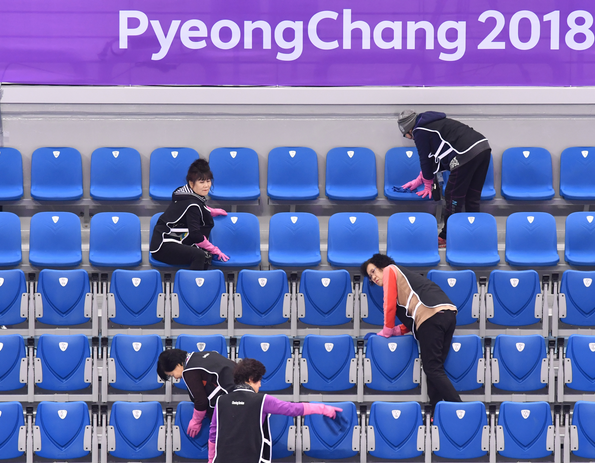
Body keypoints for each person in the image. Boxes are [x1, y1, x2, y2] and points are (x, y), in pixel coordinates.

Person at [361, 253, 462, 406]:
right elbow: (413, 315)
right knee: (434, 369)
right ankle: (435, 410)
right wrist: (397, 330)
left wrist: (387, 330)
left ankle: (458, 408)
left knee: (432, 369)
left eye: (373, 271)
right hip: (447, 315)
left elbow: (389, 304)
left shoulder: (389, 270)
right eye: (370, 276)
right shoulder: (404, 278)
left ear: (381, 265)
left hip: (431, 317)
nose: (373, 277)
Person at [207, 358, 342, 463]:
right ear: (251, 379)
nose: (260, 384)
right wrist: (322, 408)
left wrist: (211, 460)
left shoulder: (221, 400)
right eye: (259, 380)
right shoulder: (262, 400)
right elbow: (292, 409)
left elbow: (213, 435)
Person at [397, 110, 491, 247]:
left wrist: (428, 183)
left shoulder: (419, 131)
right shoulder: (433, 123)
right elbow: (436, 160)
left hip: (465, 153)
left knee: (452, 196)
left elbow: (425, 159)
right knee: (472, 196)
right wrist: (421, 178)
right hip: (483, 148)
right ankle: (474, 234)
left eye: (406, 135)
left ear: (408, 129)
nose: (410, 138)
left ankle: (447, 236)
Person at [150, 159, 230, 269]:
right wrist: (214, 249)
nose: (206, 185)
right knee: (200, 255)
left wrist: (210, 211)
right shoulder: (192, 204)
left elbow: (195, 207)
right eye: (201, 182)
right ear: (191, 183)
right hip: (163, 245)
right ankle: (193, 280)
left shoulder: (185, 193)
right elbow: (196, 235)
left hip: (175, 239)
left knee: (204, 254)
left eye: (208, 181)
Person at [157, 348, 237, 438]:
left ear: (177, 365)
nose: (175, 378)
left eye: (172, 374)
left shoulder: (190, 371)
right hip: (244, 393)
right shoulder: (202, 355)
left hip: (230, 403)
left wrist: (196, 421)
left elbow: (201, 401)